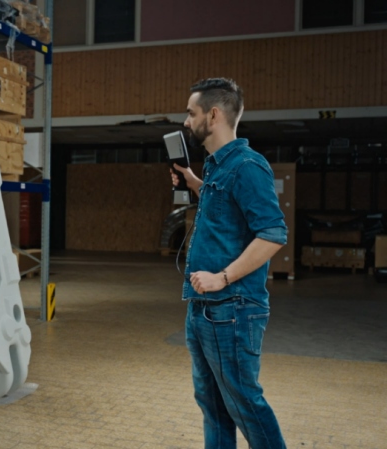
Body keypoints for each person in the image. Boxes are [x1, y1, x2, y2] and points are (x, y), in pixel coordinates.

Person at [170, 78, 287, 449]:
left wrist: (223, 277)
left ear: (214, 115)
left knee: (244, 404)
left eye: (191, 113)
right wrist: (193, 182)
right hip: (203, 307)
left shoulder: (248, 166)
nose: (186, 121)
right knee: (213, 406)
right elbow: (226, 210)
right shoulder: (217, 167)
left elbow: (272, 234)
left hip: (232, 308)